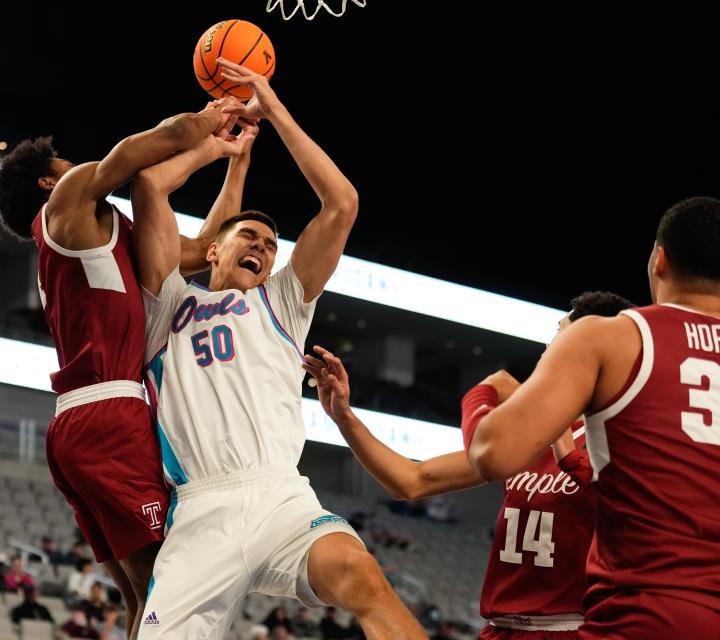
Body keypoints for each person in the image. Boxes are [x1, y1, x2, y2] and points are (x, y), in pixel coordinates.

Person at [133, 58, 423, 639]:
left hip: (278, 495)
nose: (264, 251)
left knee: (362, 575)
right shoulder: (165, 301)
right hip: (200, 511)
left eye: (270, 246)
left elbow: (341, 204)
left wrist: (274, 110)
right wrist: (221, 152)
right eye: (251, 239)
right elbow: (147, 186)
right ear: (212, 250)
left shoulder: (282, 302)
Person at [0, 91, 247, 639]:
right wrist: (210, 120)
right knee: (168, 587)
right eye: (62, 162)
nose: (76, 163)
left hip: (80, 420)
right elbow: (143, 150)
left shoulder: (106, 234)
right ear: (47, 181)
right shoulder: (66, 201)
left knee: (145, 598)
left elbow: (205, 250)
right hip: (109, 412)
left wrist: (235, 158)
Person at [303, 292, 635, 638]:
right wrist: (343, 417)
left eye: (559, 334)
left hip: (572, 628)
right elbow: (410, 480)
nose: (549, 347)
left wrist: (489, 393)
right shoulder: (532, 434)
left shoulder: (626, 437)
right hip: (500, 629)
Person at [469, 197, 720, 639]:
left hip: (644, 612)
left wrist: (484, 394)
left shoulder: (613, 337)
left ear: (659, 260)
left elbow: (492, 454)